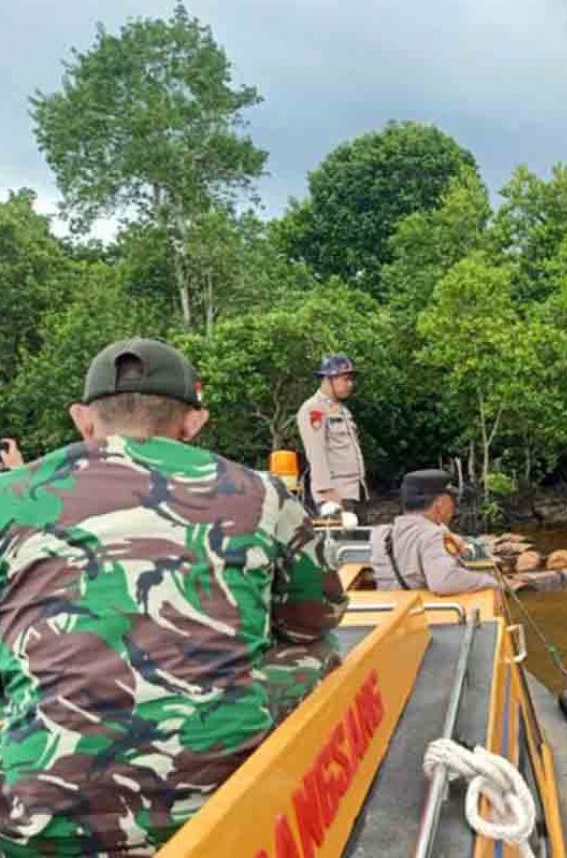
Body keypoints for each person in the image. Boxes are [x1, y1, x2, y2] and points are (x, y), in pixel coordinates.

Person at [0, 338, 349, 856]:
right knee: (319, 651)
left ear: (82, 419)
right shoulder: (261, 492)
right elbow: (316, 617)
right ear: (193, 423)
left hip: (32, 825)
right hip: (211, 805)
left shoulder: (12, 495)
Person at [370, 469, 507, 595]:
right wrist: (489, 581)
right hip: (420, 613)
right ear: (440, 505)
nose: (454, 508)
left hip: (388, 607)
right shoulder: (432, 535)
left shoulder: (380, 534)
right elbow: (443, 581)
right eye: (452, 501)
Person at [295, 353, 367, 515]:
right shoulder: (314, 409)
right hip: (335, 493)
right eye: (345, 379)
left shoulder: (342, 409)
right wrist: (327, 493)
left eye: (351, 380)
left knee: (360, 539)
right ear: (329, 379)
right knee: (342, 540)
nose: (350, 384)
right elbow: (316, 453)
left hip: (353, 491)